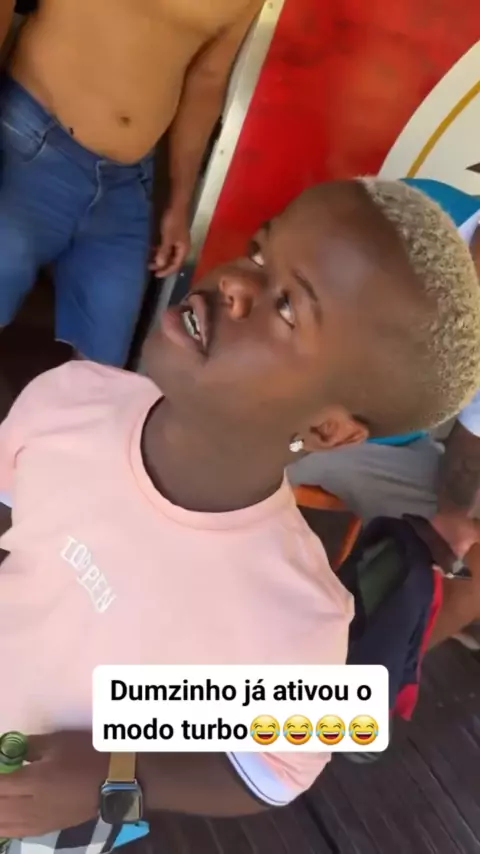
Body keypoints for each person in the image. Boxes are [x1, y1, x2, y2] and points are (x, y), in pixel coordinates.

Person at [0, 178, 479, 853]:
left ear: (328, 428)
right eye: (259, 251)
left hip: (45, 818)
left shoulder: (297, 613)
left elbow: (272, 770)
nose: (235, 282)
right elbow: (18, 527)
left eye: (286, 306)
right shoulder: (68, 399)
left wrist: (117, 776)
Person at [0, 0, 263, 367]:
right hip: (28, 141)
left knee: (104, 371)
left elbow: (207, 78)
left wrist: (179, 203)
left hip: (127, 183)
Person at [289, 178, 480, 649]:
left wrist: (455, 518)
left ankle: (345, 680)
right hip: (291, 413)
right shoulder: (406, 213)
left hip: (387, 444)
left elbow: (469, 444)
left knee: (473, 559)